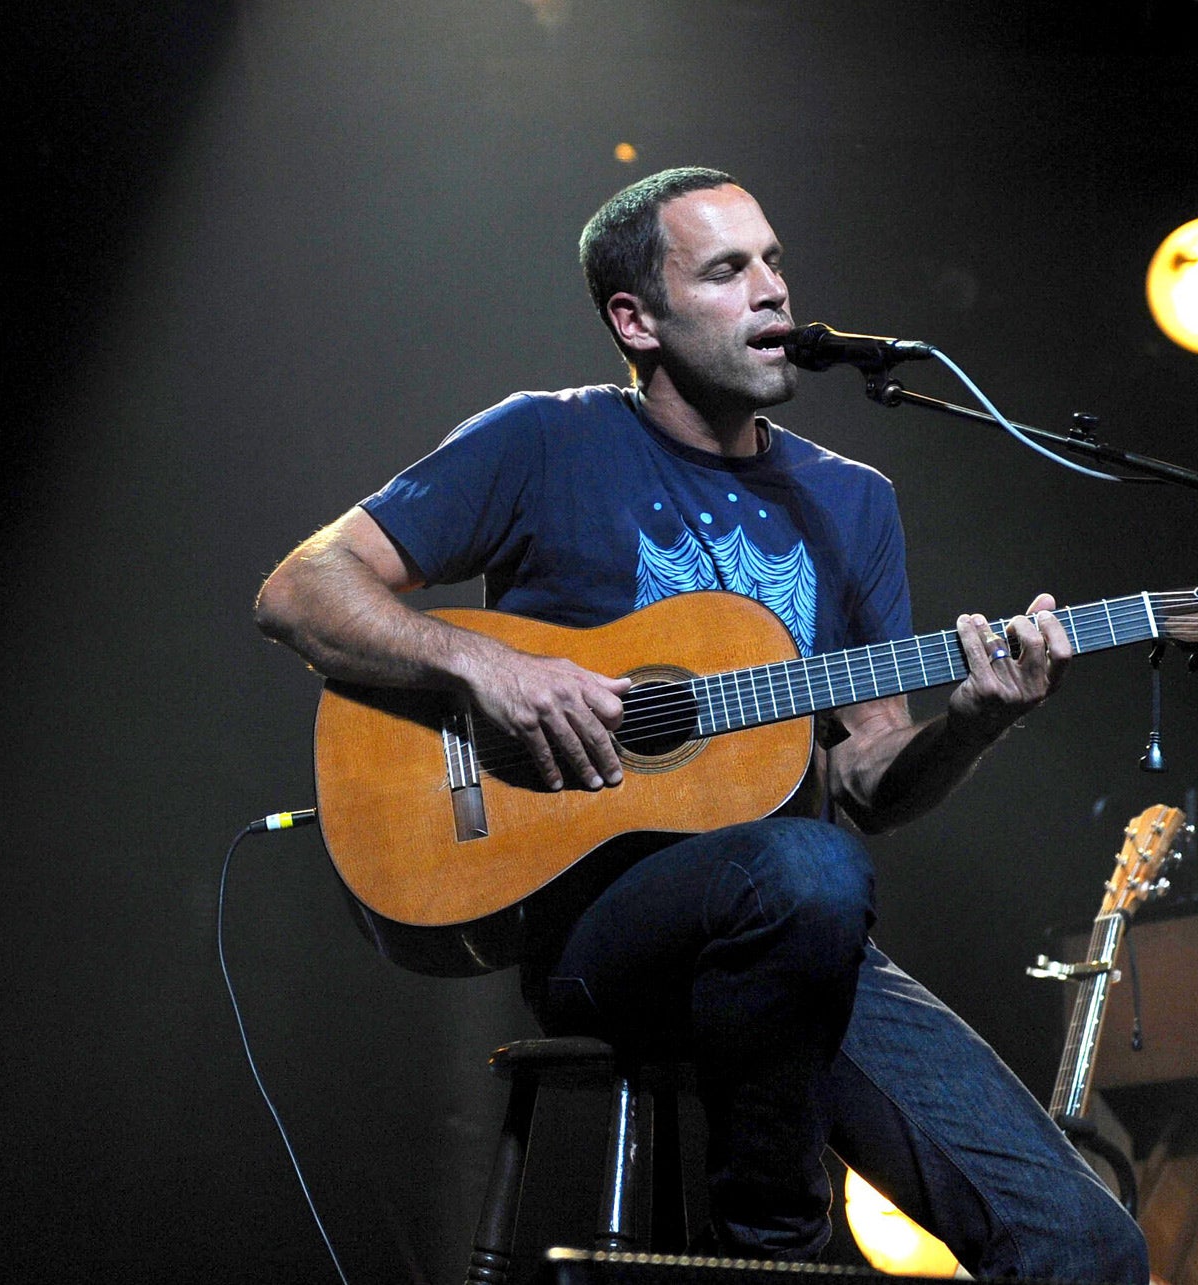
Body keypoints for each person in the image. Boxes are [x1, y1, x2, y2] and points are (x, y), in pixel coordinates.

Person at [254, 166, 1149, 1281]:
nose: (772, 291)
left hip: (798, 938)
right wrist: (484, 666)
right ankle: (768, 1250)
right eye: (728, 270)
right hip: (594, 926)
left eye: (772, 259)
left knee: (1088, 1244)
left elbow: (870, 779)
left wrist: (971, 722)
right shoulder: (542, 440)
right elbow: (300, 587)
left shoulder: (851, 499)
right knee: (804, 866)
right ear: (636, 320)